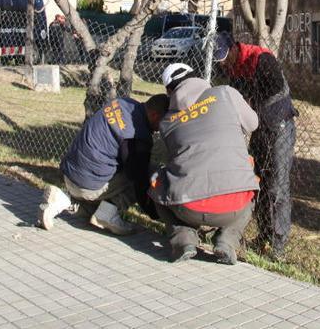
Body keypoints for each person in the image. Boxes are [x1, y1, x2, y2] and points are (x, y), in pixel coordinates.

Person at [151, 63, 259, 265]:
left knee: (157, 180)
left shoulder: (167, 122)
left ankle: (183, 239)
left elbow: (175, 159)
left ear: (169, 92)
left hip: (188, 206)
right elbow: (253, 123)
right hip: (234, 205)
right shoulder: (226, 93)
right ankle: (226, 241)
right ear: (197, 78)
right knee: (250, 181)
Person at [214, 33, 297, 257]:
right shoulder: (232, 68)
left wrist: (250, 111)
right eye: (218, 60)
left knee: (277, 186)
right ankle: (264, 234)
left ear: (233, 48)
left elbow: (276, 94)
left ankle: (277, 244)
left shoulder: (261, 59)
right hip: (258, 127)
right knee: (257, 181)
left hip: (278, 125)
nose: (222, 63)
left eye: (224, 57)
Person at [38, 94, 169, 234]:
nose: (162, 128)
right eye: (164, 122)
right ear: (155, 115)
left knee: (130, 167)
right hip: (88, 185)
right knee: (149, 171)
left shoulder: (123, 102)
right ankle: (109, 213)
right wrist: (156, 215)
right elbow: (139, 181)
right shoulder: (138, 136)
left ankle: (63, 200)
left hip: (70, 174)